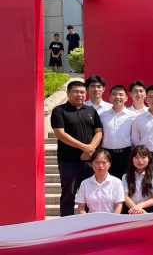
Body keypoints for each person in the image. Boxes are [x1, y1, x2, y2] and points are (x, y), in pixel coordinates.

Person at [51, 80, 103, 216]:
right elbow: (60, 134)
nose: (79, 95)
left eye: (82, 92)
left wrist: (90, 149)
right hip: (68, 161)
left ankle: (90, 224)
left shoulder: (91, 111)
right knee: (68, 194)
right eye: (75, 92)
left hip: (89, 161)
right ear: (68, 93)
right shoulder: (59, 111)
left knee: (91, 195)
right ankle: (67, 225)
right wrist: (84, 147)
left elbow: (98, 132)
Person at [100, 85, 137, 180]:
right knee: (106, 181)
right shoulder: (103, 115)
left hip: (125, 155)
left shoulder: (133, 116)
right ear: (110, 98)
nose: (117, 97)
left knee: (125, 182)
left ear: (126, 98)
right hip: (106, 154)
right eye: (114, 94)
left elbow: (135, 137)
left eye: (121, 94)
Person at [76, 149, 124, 214]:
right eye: (97, 162)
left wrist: (112, 219)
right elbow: (81, 207)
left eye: (104, 162)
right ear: (91, 164)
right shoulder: (85, 183)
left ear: (109, 164)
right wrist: (87, 219)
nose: (100, 166)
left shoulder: (117, 182)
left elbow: (119, 206)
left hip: (112, 219)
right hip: (91, 219)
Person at [122, 145, 153, 214]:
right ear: (132, 159)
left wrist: (139, 206)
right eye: (136, 157)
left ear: (149, 158)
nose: (140, 161)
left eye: (143, 157)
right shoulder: (125, 176)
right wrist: (136, 209)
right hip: (131, 209)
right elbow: (125, 197)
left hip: (149, 210)